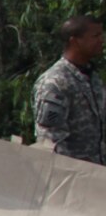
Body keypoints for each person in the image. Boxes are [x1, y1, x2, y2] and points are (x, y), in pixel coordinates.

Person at [32, 14, 105, 165]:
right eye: (95, 36)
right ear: (75, 41)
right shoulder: (55, 83)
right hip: (72, 179)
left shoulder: (92, 77)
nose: (101, 40)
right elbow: (51, 141)